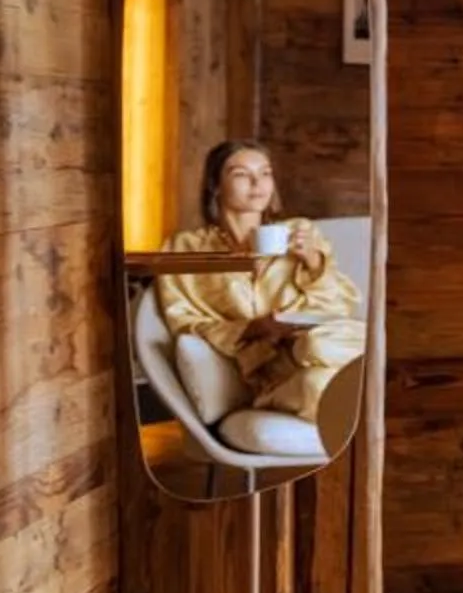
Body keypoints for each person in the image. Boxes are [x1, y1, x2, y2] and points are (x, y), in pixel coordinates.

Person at [156, 139, 366, 425]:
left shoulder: (300, 231)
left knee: (318, 349)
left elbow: (340, 305)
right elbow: (182, 320)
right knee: (316, 383)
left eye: (265, 173)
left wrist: (314, 263)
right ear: (215, 185)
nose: (258, 183)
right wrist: (252, 328)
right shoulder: (186, 248)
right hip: (272, 369)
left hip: (326, 341)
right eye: (241, 174)